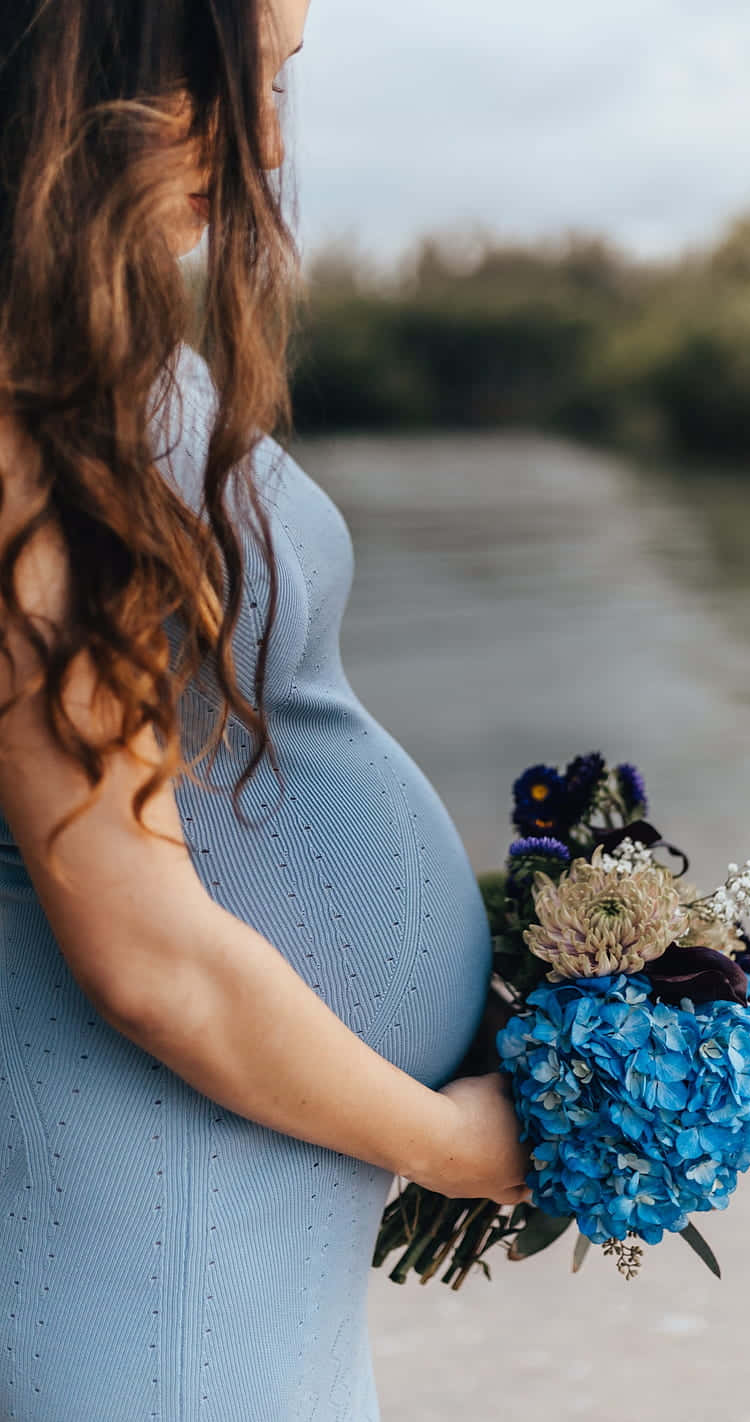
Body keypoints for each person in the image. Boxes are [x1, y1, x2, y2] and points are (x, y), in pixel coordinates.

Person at [0, 2, 531, 1418]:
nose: (270, 143)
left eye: (288, 81)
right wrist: (458, 1143)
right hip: (137, 1268)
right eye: (232, 79)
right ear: (83, 60)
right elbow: (147, 952)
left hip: (228, 1247)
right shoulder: (15, 401)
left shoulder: (84, 353)